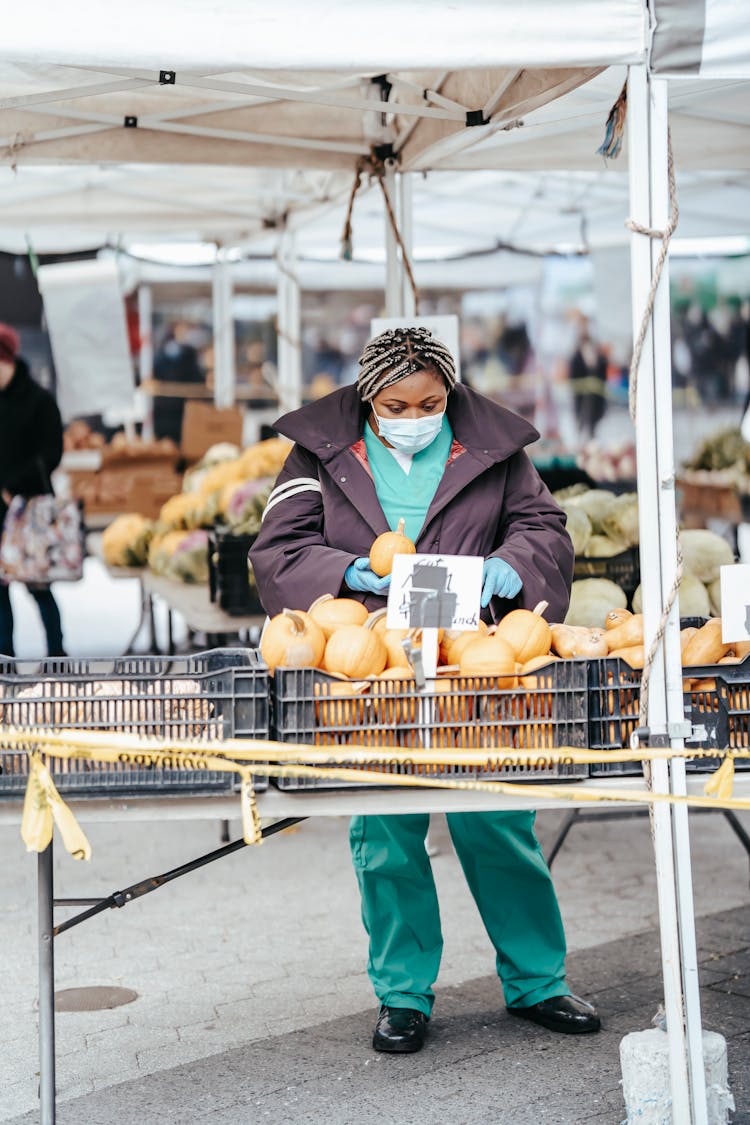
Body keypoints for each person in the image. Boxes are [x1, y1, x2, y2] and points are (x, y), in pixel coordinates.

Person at [250, 326, 600, 1053]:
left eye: (431, 401)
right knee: (385, 824)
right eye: (397, 403)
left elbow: (544, 527)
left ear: (452, 393)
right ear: (367, 398)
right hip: (370, 660)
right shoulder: (317, 453)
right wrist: (345, 572)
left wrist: (513, 564)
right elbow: (279, 547)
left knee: (497, 815)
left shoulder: (496, 450)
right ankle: (402, 993)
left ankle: (538, 979)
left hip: (475, 651)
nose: (415, 414)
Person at [0, 323, 66, 657]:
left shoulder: (39, 401)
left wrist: (16, 486)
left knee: (39, 586)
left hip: (31, 511)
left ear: (8, 361)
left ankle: (57, 656)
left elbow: (51, 452)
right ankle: (4, 663)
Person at [152, 321, 206, 445]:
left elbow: (197, 381)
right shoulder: (161, 356)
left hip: (183, 411)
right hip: (164, 412)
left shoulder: (190, 356)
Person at [569, 327, 608, 441]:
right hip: (581, 398)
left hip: (596, 400)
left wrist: (593, 366)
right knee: (581, 423)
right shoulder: (576, 358)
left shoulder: (599, 357)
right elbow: (573, 377)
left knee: (593, 423)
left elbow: (602, 375)